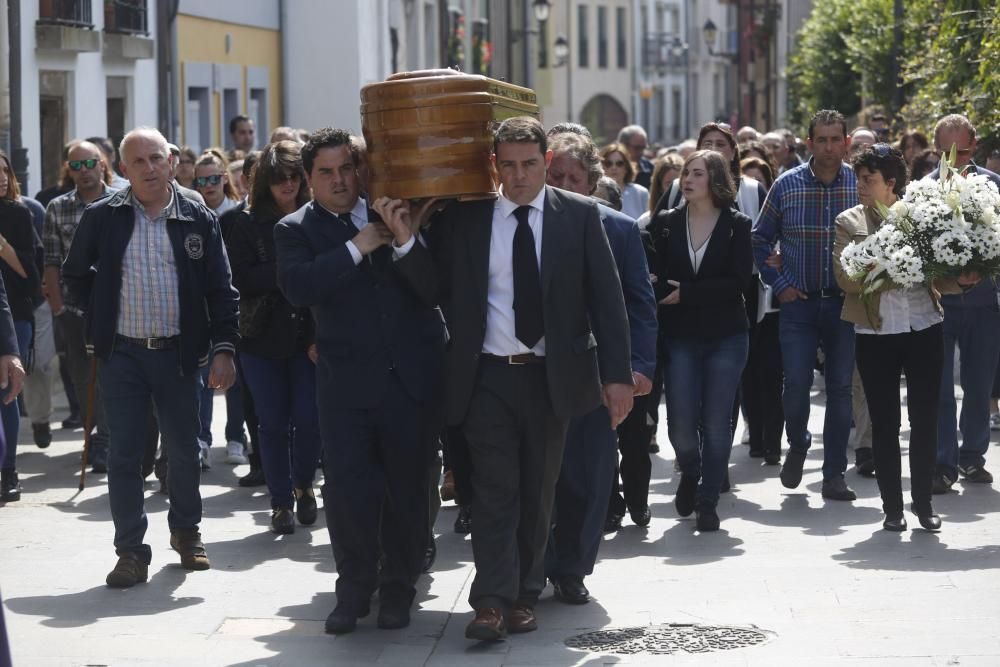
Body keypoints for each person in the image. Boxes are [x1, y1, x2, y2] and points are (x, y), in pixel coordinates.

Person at [384, 116, 633, 641]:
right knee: (496, 490)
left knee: (538, 491)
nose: (519, 176)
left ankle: (523, 592)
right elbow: (436, 290)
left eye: (530, 164)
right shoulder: (469, 219)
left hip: (551, 378)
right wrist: (406, 240)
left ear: (545, 162)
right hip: (487, 378)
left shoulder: (582, 217)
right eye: (509, 165)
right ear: (494, 166)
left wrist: (617, 379)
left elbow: (608, 305)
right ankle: (491, 603)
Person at [275, 128, 445, 634]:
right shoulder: (295, 229)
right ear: (309, 180)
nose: (340, 180)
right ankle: (352, 591)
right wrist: (357, 246)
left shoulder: (394, 210)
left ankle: (398, 589)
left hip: (408, 382)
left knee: (410, 490)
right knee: (349, 493)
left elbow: (433, 289)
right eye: (326, 172)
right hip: (346, 386)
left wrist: (404, 238)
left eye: (346, 168)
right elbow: (298, 286)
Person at [62, 127, 238, 587]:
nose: (150, 168)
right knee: (124, 455)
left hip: (179, 355)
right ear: (122, 169)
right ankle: (131, 552)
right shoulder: (103, 217)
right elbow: (74, 277)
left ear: (172, 160)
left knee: (182, 451)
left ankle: (186, 531)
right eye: (138, 162)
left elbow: (222, 290)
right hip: (122, 356)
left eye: (157, 158)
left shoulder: (197, 216)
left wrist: (223, 348)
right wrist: (99, 314)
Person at [833, 144, 975, 531]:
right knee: (884, 422)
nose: (860, 186)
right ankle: (892, 508)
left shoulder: (922, 215)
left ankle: (924, 505)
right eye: (858, 179)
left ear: (890, 183)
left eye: (869, 180)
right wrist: (893, 265)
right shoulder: (848, 221)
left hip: (923, 327)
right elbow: (846, 278)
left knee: (925, 419)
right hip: (875, 333)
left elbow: (939, 271)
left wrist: (961, 278)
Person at [542, 129, 657, 602]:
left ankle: (572, 568)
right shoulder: (523, 224)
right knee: (539, 477)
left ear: (592, 183)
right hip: (534, 369)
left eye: (575, 177)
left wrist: (638, 368)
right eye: (557, 176)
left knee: (588, 475)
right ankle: (534, 565)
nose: (566, 185)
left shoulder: (619, 229)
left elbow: (639, 304)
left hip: (593, 369)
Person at [752, 109, 859, 502]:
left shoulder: (859, 186)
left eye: (836, 139)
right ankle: (798, 443)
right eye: (822, 139)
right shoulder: (787, 185)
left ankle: (834, 475)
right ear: (809, 143)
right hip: (798, 304)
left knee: (840, 389)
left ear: (846, 142)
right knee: (795, 385)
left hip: (845, 304)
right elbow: (759, 240)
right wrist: (779, 284)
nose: (830, 147)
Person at [647, 150, 752, 531]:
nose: (686, 180)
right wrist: (658, 285)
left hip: (727, 334)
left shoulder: (736, 225)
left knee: (716, 420)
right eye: (685, 174)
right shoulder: (665, 223)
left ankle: (708, 500)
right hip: (680, 335)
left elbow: (738, 282)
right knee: (680, 426)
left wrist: (688, 293)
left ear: (715, 180)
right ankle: (690, 471)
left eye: (696, 174)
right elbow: (652, 270)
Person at [228, 140, 319, 534]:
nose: (288, 185)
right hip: (260, 338)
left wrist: (288, 272)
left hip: (308, 337)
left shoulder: (317, 219)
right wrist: (294, 270)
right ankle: (280, 501)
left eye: (295, 176)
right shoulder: (240, 223)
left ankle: (303, 485)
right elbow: (240, 279)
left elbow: (326, 278)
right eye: (280, 177)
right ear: (265, 181)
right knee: (271, 423)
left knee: (309, 419)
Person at [929, 114, 1000, 494]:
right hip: (940, 304)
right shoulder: (923, 192)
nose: (956, 160)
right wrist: (949, 276)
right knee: (939, 387)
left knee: (978, 384)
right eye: (948, 152)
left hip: (984, 303)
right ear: (936, 149)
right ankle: (943, 462)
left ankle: (973, 456)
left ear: (975, 145)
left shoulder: (994, 187)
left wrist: (982, 272)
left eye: (965, 150)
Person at [42, 140, 116, 473]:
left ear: (103, 165)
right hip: (74, 307)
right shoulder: (57, 208)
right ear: (68, 170)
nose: (84, 172)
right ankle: (95, 434)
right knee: (83, 375)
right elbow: (52, 261)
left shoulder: (121, 200)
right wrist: (58, 309)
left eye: (90, 164)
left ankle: (105, 439)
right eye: (77, 166)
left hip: (117, 303)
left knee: (113, 374)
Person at [0, 151, 41, 502]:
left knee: (7, 394)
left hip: (15, 316)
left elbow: (32, 277)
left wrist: (2, 246)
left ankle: (8, 470)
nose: (0, 177)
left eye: (4, 171)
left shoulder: (19, 214)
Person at [600, 142, 649, 220]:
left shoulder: (641, 193)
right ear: (601, 167)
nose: (614, 167)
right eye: (608, 163)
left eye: (619, 163)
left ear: (626, 167)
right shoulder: (594, 193)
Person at [637, 155, 683, 229]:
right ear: (659, 187)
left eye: (680, 183)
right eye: (669, 184)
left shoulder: (696, 220)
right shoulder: (645, 222)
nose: (675, 188)